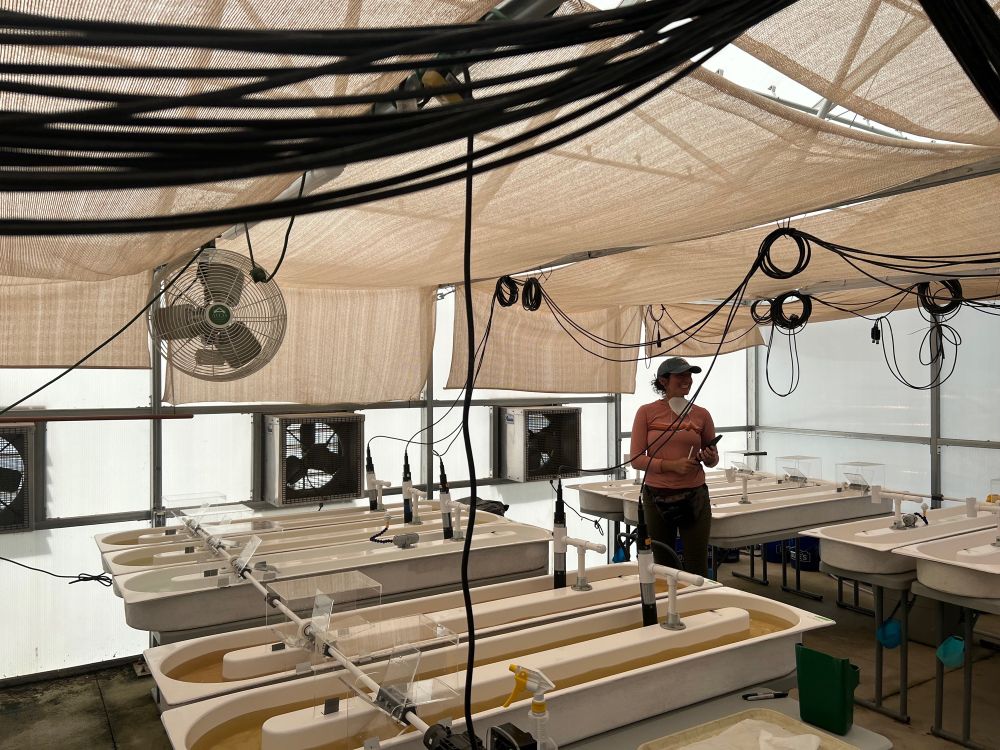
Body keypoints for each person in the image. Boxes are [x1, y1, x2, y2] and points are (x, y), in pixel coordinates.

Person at [630, 356, 719, 578]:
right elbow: (636, 459)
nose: (687, 380)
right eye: (681, 375)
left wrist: (708, 457)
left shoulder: (702, 414)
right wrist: (671, 466)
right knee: (663, 563)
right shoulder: (646, 412)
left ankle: (695, 608)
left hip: (694, 497)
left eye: (689, 375)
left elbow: (713, 458)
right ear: (663, 381)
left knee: (696, 565)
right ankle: (667, 608)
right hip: (657, 497)